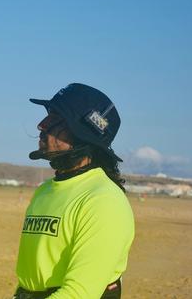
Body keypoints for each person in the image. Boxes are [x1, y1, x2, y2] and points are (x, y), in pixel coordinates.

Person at [14, 83, 134, 299]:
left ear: (83, 134)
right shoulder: (45, 190)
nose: (41, 125)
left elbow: (80, 293)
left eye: (56, 120)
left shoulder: (103, 201)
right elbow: (31, 277)